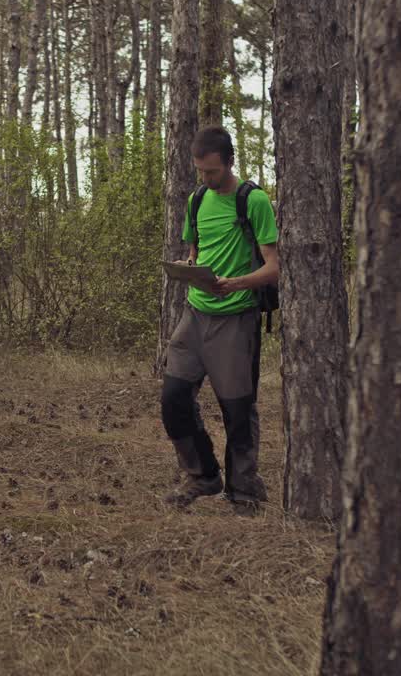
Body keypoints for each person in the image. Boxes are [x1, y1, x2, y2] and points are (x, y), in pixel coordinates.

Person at [160, 125, 279, 513]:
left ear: (230, 162)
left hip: (236, 319)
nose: (206, 179)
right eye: (200, 171)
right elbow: (195, 247)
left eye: (212, 171)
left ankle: (243, 490)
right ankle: (202, 475)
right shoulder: (197, 200)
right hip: (194, 315)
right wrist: (190, 266)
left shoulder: (254, 200)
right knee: (174, 399)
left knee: (238, 409)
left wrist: (237, 283)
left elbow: (274, 268)